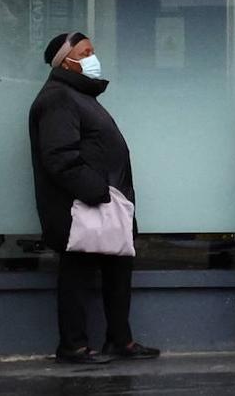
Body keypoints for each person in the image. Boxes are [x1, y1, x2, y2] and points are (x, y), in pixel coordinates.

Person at [30, 32, 160, 365]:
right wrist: (97, 191)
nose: (92, 57)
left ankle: (120, 340)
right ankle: (72, 346)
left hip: (107, 203)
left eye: (93, 51)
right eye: (85, 52)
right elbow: (59, 156)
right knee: (77, 275)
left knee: (118, 271)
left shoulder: (81, 95)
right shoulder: (58, 98)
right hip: (81, 207)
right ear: (66, 61)